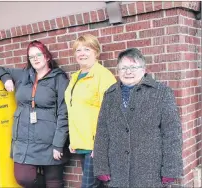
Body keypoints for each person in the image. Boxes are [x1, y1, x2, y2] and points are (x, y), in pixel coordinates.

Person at [93, 48, 183, 187]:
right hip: (117, 172)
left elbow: (172, 133)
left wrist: (170, 170)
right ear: (118, 70)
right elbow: (102, 132)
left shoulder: (161, 93)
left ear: (143, 69)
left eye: (133, 67)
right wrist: (101, 166)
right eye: (123, 68)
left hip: (150, 172)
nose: (128, 72)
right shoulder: (110, 95)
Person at [0, 40, 69, 188]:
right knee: (23, 178)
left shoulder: (58, 78)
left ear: (46, 56)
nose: (35, 59)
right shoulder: (23, 75)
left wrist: (58, 144)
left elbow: (63, 112)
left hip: (50, 140)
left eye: (38, 54)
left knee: (53, 182)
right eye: (31, 56)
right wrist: (6, 78)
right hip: (24, 141)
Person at [64, 34, 116, 188]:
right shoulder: (75, 77)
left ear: (96, 52)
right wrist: (74, 140)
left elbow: (111, 113)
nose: (81, 53)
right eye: (78, 50)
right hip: (82, 143)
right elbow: (76, 110)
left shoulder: (103, 76)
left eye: (86, 49)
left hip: (96, 144)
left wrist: (101, 144)